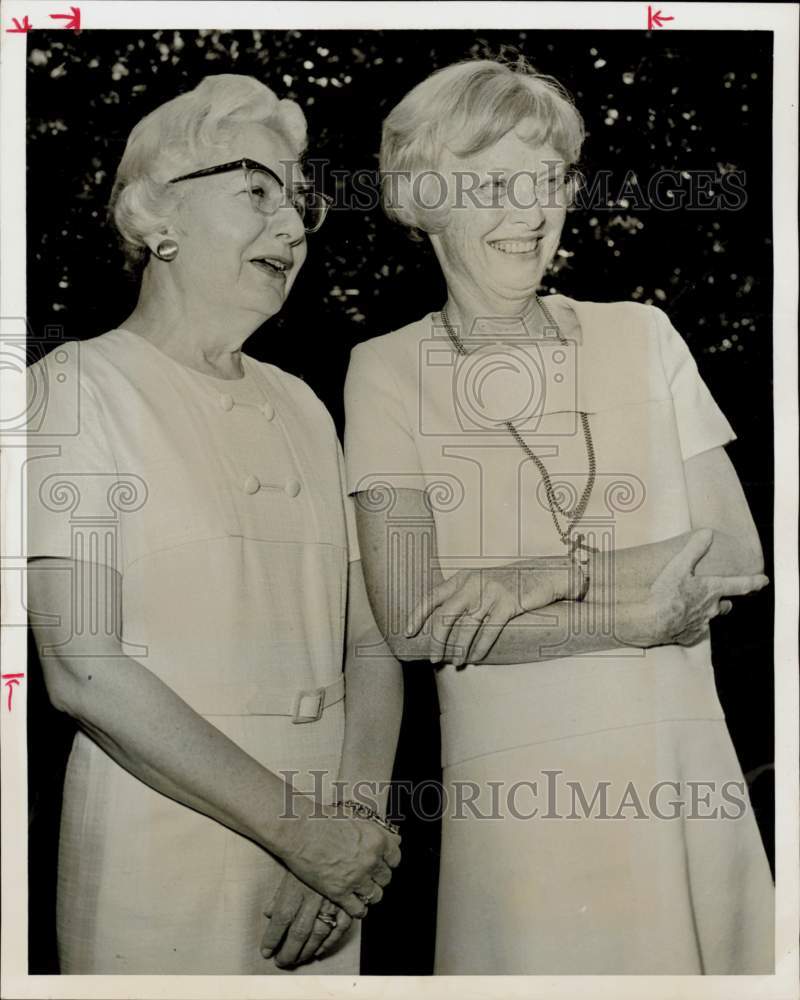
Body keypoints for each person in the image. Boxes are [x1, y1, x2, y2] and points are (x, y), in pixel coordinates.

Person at [344, 58, 774, 974]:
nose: (533, 211)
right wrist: (625, 611)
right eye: (496, 184)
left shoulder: (642, 334)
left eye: (548, 181)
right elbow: (415, 618)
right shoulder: (384, 369)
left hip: (679, 768)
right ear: (428, 199)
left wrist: (552, 574)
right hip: (520, 792)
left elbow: (735, 550)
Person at [26, 74, 402, 975]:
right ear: (157, 220)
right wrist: (303, 835)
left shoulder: (307, 405)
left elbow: (373, 642)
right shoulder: (74, 389)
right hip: (162, 851)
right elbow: (85, 668)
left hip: (322, 888)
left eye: (299, 205)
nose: (292, 227)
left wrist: (344, 832)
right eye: (257, 191)